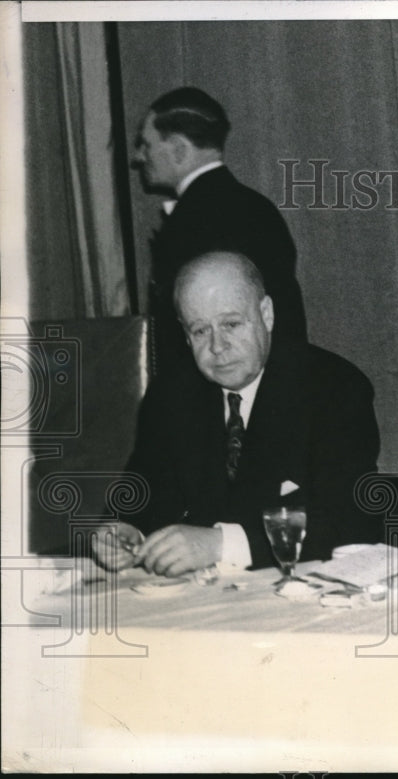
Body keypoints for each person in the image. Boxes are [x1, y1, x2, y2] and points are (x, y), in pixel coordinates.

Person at [93, 251, 380, 577]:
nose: (217, 346)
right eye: (200, 330)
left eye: (231, 324)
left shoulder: (334, 388)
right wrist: (124, 531)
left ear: (266, 314)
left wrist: (220, 545)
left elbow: (351, 525)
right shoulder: (171, 394)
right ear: (185, 335)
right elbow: (140, 495)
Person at [131, 86, 307, 376]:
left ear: (178, 149)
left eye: (146, 145)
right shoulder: (253, 206)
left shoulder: (195, 219)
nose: (138, 157)